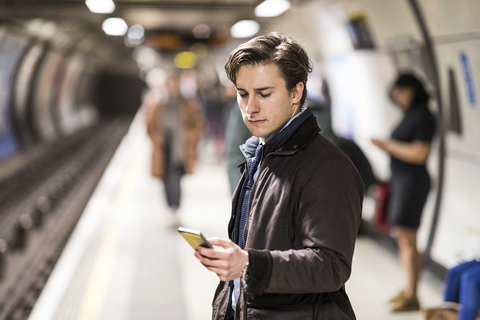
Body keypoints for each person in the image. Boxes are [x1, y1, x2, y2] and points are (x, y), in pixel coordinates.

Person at [194, 32, 364, 320]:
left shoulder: (327, 167)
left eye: (264, 94)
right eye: (243, 94)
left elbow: (331, 265)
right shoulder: (261, 156)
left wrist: (248, 265)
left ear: (296, 93)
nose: (250, 108)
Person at [371, 73, 436, 312]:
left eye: (402, 91)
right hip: (402, 182)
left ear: (412, 90)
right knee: (404, 238)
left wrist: (386, 145)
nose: (398, 97)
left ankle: (412, 293)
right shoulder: (410, 114)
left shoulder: (424, 116)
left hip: (413, 183)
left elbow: (421, 153)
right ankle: (409, 289)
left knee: (408, 239)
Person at [144, 70, 204, 227]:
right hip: (163, 149)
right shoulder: (157, 103)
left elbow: (197, 124)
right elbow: (149, 126)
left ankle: (175, 209)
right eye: (168, 84)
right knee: (165, 180)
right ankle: (169, 209)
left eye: (173, 83)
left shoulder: (187, 103)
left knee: (175, 179)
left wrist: (189, 139)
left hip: (180, 149)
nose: (171, 87)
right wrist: (158, 139)